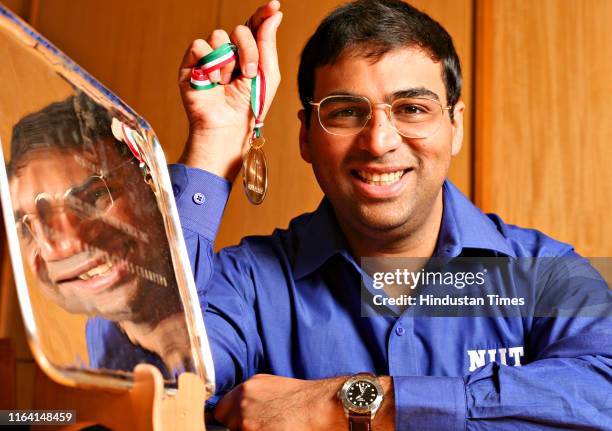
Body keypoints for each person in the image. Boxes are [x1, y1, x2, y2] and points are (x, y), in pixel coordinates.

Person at [172, 0, 611, 429]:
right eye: (346, 112)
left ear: (455, 127)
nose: (379, 142)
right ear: (305, 136)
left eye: (412, 109)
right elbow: (144, 382)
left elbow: (603, 393)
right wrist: (214, 143)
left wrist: (353, 405)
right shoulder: (246, 284)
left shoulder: (546, 275)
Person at [8, 92, 193, 378]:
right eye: (27, 226)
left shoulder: (245, 289)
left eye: (94, 197)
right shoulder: (97, 342)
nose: (65, 247)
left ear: (151, 189)